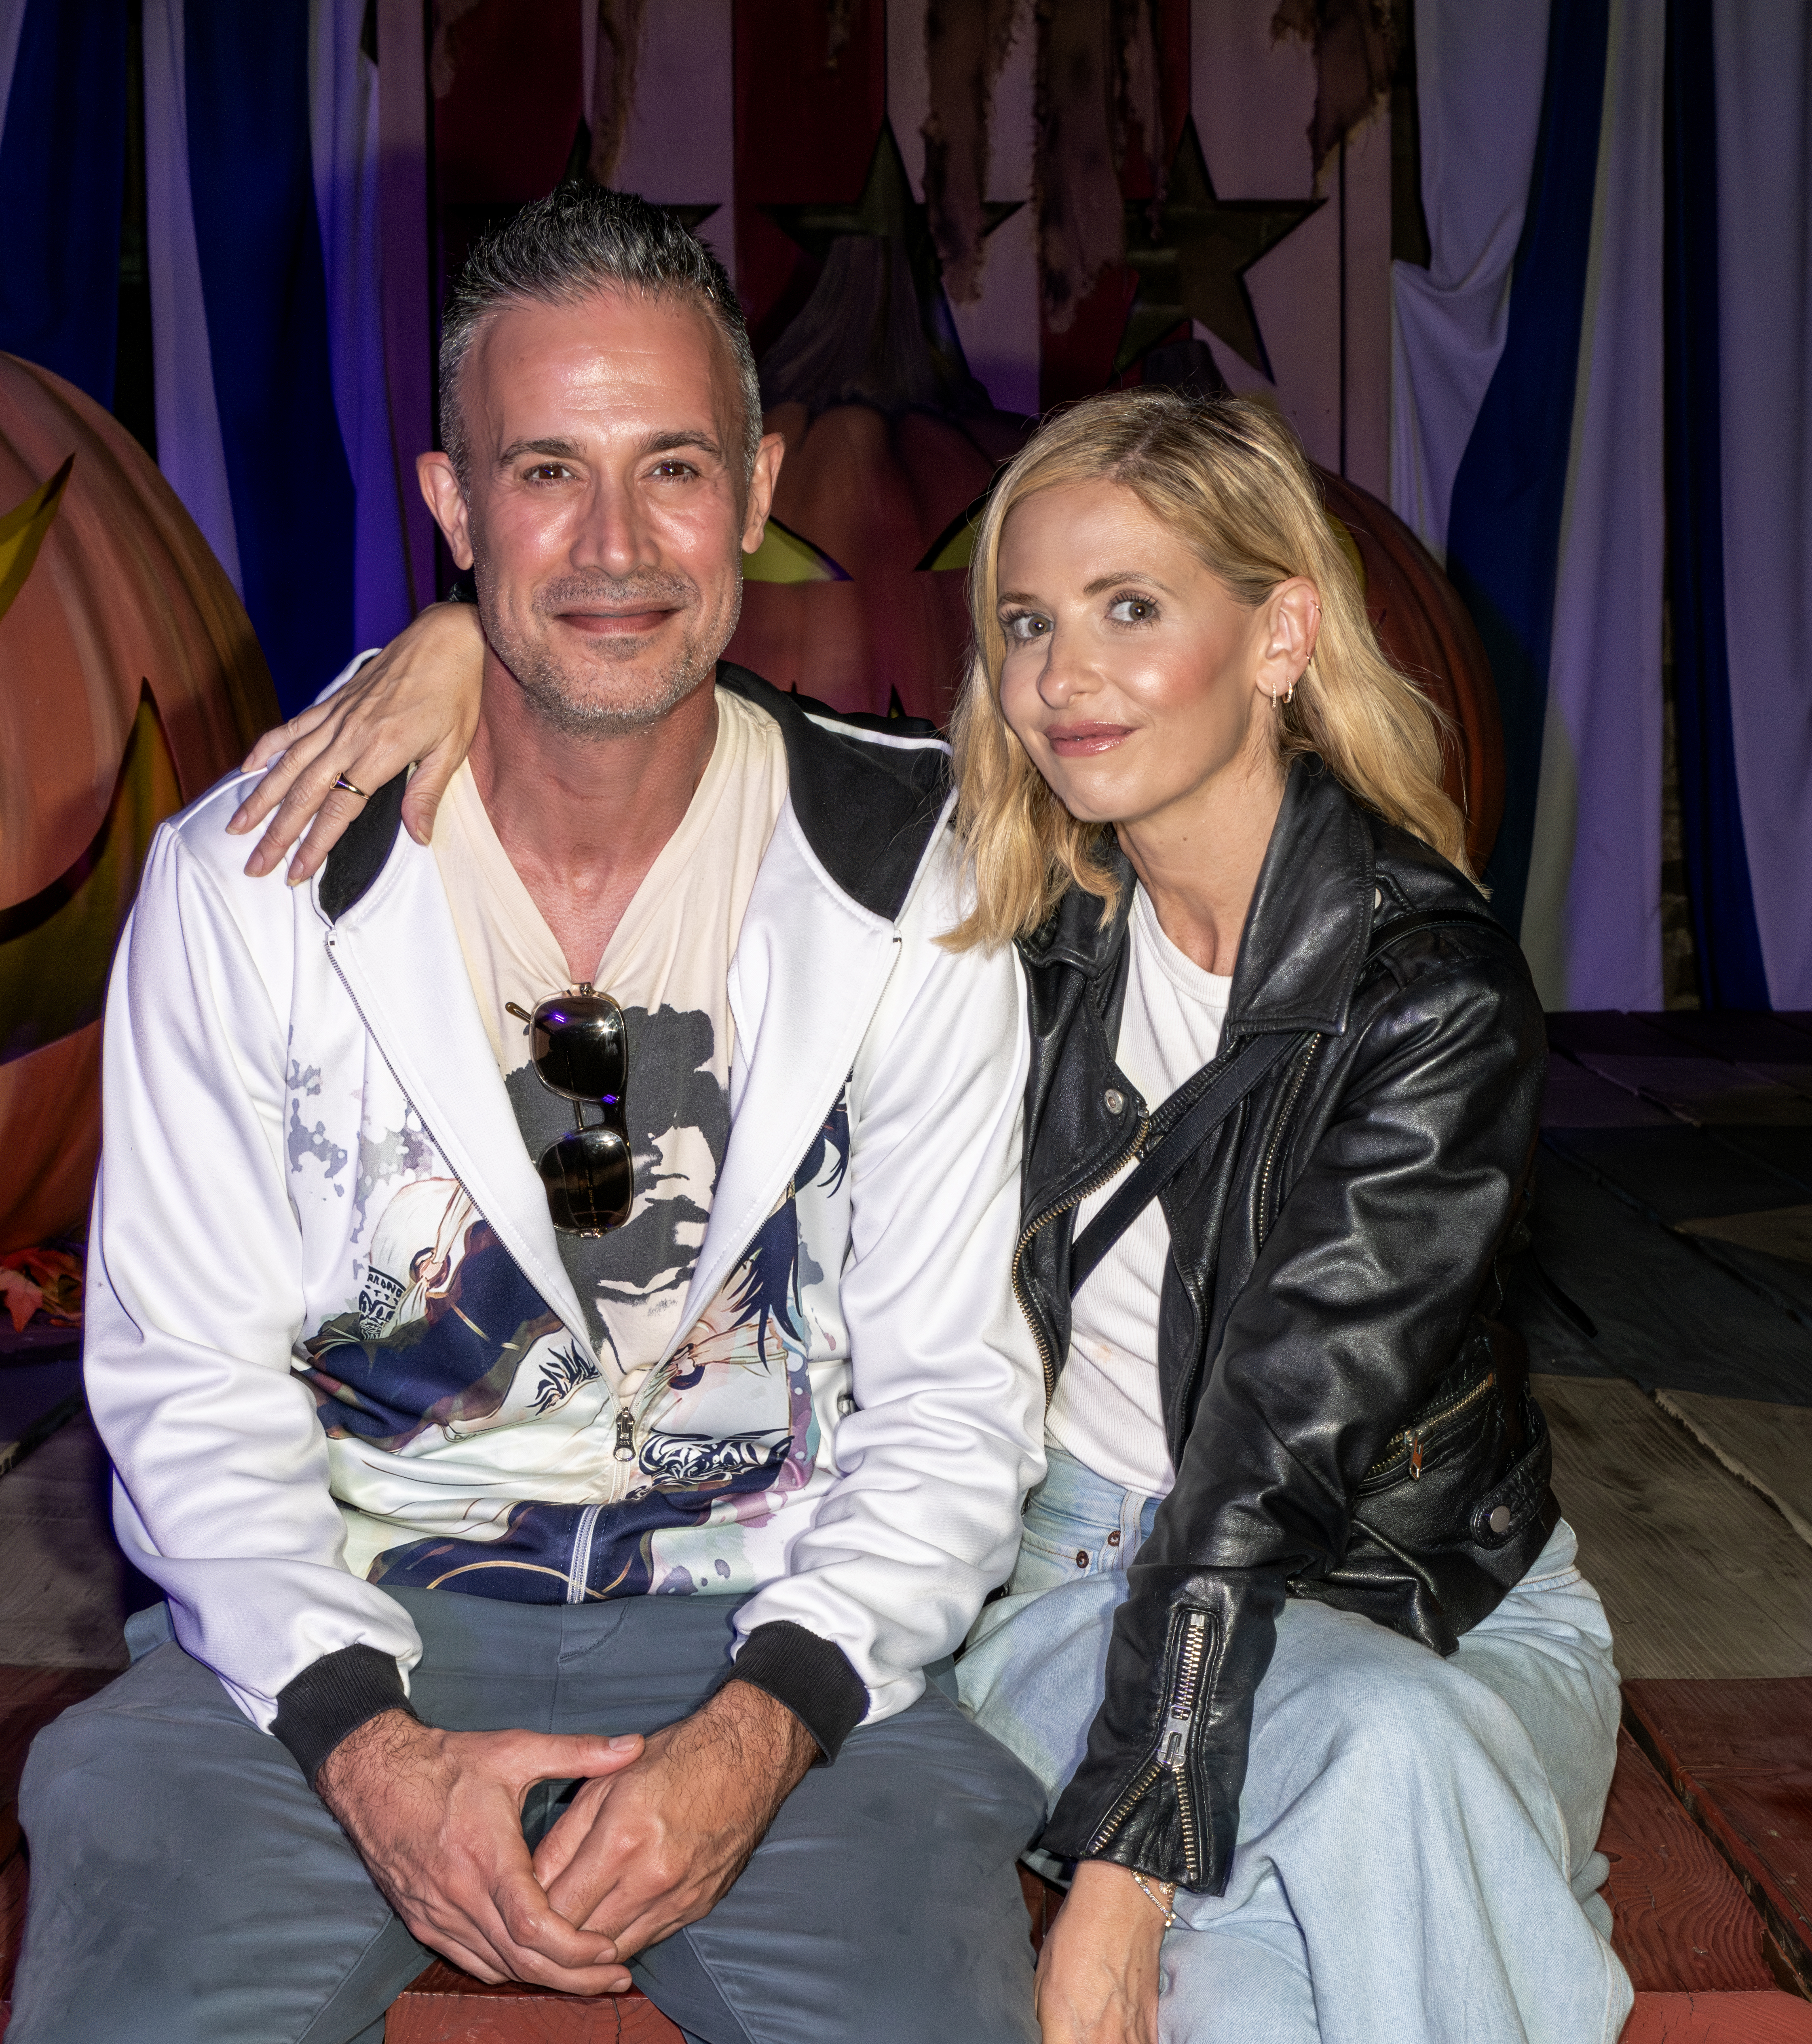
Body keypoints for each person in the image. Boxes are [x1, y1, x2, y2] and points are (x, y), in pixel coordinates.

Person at [237, 388, 1629, 2044]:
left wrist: (1120, 1877)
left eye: (1132, 608)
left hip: (1421, 1600)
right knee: (1388, 1791)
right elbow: (695, 716)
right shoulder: (998, 910)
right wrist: (472, 639)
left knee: (1353, 1816)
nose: (1065, 673)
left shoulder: (1426, 987)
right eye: (1028, 622)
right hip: (1078, 1589)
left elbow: (1282, 1439)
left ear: (1280, 634)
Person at [11, 183, 1050, 2044]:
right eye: (544, 470)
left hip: (780, 1629)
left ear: (756, 485)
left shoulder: (915, 877)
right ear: (450, 506)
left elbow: (955, 1391)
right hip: (340, 1620)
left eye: (670, 468)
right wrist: (372, 1749)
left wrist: (761, 1728)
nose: (612, 541)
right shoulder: (252, 887)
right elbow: (184, 1376)